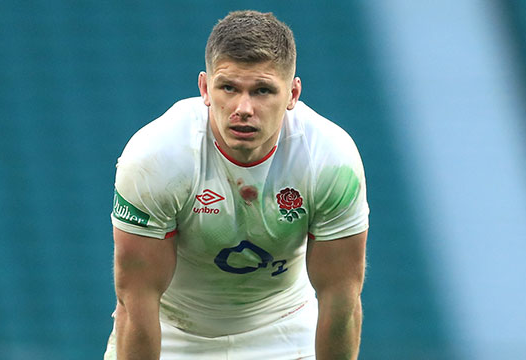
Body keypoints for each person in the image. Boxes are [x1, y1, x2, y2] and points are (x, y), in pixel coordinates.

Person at [104, 10, 369, 360]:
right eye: (228, 87)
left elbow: (341, 298)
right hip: (173, 332)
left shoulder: (331, 161)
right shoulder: (155, 158)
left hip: (285, 327)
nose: (243, 108)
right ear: (205, 89)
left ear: (292, 94)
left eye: (262, 91)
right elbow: (136, 303)